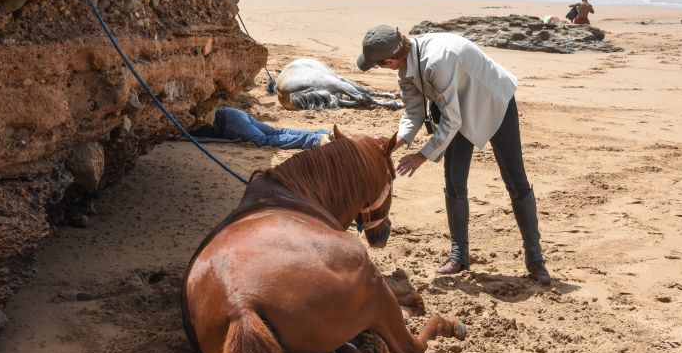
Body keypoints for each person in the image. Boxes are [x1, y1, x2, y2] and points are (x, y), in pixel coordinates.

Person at [356, 25, 551, 285]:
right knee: (454, 180)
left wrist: (421, 156)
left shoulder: (437, 61)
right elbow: (413, 112)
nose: (382, 68)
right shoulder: (404, 69)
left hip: (493, 102)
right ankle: (459, 255)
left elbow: (450, 121)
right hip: (457, 108)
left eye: (379, 65)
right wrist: (396, 143)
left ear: (389, 59)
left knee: (515, 180)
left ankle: (535, 259)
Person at [189, 107, 331, 149]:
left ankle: (315, 140)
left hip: (229, 123)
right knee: (277, 132)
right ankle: (320, 134)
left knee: (264, 140)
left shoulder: (180, 125)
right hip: (233, 113)